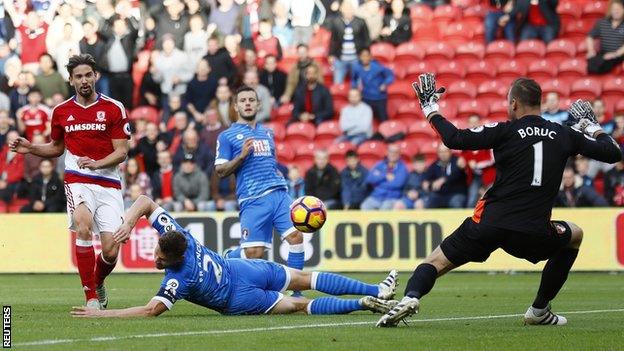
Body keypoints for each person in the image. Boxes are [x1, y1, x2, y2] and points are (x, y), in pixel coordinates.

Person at [377, 75, 622, 327]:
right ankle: (539, 311)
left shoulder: (505, 130)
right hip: (533, 230)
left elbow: (454, 139)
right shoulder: (564, 134)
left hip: (489, 223)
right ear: (538, 103)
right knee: (575, 234)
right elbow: (613, 153)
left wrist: (430, 108)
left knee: (434, 262)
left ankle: (411, 296)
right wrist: (591, 126)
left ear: (514, 104)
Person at [71, 195, 398, 318]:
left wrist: (102, 316)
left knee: (300, 304)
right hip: (241, 268)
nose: (154, 257)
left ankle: (365, 301)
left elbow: (149, 311)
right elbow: (144, 201)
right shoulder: (181, 236)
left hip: (238, 297)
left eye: (157, 257)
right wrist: (129, 223)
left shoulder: (177, 279)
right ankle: (375, 292)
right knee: (305, 278)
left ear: (171, 260)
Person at [10, 54, 131, 310]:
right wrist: (30, 147)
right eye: (79, 76)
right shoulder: (61, 111)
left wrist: (98, 164)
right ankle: (90, 298)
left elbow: (122, 152)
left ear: (96, 76)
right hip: (77, 177)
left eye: (89, 75)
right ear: (71, 80)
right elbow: (56, 148)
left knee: (110, 251)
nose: (84, 80)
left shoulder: (113, 108)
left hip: (108, 182)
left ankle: (97, 282)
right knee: (83, 225)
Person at [215, 86, 306, 295]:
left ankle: (297, 291)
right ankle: (231, 255)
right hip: (253, 199)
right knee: (254, 254)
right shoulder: (227, 136)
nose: (247, 103)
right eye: (243, 100)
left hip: (279, 194)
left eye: (251, 100)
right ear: (236, 106)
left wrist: (277, 173)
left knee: (296, 238)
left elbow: (267, 161)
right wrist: (241, 156)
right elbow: (220, 171)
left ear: (258, 104)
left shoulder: (267, 132)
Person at [326, 1, 371, 84]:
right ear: (341, 9)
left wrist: (365, 54)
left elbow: (366, 40)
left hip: (356, 58)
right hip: (340, 59)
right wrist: (331, 54)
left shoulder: (361, 22)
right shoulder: (336, 22)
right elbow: (333, 40)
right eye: (346, 8)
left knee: (358, 84)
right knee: (337, 84)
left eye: (350, 8)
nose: (348, 11)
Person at [351, 48, 394, 122]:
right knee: (365, 120)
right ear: (359, 57)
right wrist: (355, 88)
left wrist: (385, 84)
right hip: (366, 98)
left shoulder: (378, 67)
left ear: (370, 57)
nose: (365, 58)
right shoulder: (357, 68)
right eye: (362, 56)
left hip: (379, 98)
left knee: (383, 119)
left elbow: (390, 76)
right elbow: (354, 79)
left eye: (366, 56)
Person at [360, 144, 408, 210]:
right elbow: (369, 179)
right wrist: (385, 176)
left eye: (395, 152)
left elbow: (397, 184)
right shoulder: (380, 164)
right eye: (391, 152)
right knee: (365, 206)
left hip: (392, 198)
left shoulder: (402, 167)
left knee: (385, 207)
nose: (393, 154)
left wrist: (378, 183)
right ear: (387, 153)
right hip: (376, 196)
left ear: (399, 155)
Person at [423, 144, 468, 209]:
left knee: (456, 202)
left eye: (445, 151)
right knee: (429, 201)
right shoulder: (435, 164)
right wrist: (427, 183)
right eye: (441, 152)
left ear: (450, 152)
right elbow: (427, 177)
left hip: (456, 193)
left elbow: (457, 174)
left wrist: (443, 180)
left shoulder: (457, 161)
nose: (443, 154)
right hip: (440, 195)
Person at [586, 0, 624, 74]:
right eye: (614, 9)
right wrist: (591, 50)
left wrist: (615, 54)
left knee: (604, 64)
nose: (616, 12)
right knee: (591, 61)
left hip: (619, 55)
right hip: (603, 54)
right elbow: (590, 37)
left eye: (618, 9)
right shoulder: (602, 22)